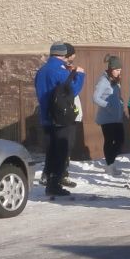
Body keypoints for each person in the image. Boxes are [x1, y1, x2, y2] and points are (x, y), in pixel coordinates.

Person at [34, 41, 85, 197]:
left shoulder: (41, 71)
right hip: (60, 118)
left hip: (46, 116)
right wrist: (80, 74)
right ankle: (54, 184)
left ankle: (49, 180)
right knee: (61, 151)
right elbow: (73, 90)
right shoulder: (59, 71)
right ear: (63, 55)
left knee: (51, 151)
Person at [93, 54, 127, 175]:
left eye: (120, 70)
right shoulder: (103, 81)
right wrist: (108, 105)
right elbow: (95, 98)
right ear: (111, 69)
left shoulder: (115, 81)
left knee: (120, 140)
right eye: (117, 70)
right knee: (109, 141)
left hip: (116, 117)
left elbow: (115, 96)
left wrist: (120, 102)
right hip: (107, 118)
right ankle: (109, 165)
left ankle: (110, 164)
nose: (119, 72)